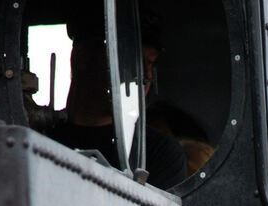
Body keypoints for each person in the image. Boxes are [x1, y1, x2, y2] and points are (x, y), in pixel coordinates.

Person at [50, 11, 186, 190]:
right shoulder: (41, 139)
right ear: (83, 57)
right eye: (131, 59)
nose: (146, 75)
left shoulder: (159, 153)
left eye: (150, 63)